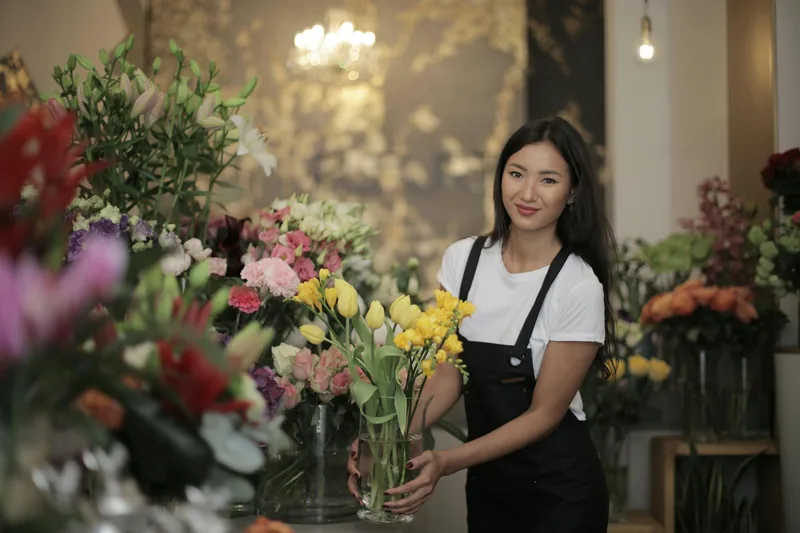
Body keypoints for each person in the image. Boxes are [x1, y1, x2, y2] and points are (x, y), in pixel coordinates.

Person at [348, 116, 617, 532]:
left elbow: (544, 415)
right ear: (501, 178)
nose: (527, 193)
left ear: (572, 193)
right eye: (516, 174)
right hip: (490, 486)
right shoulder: (464, 260)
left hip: (561, 494)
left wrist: (447, 461)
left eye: (548, 180)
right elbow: (447, 377)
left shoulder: (577, 285)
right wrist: (388, 441)